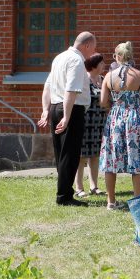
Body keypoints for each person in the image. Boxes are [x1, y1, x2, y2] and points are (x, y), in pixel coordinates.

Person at [38, 31, 97, 207]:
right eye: (93, 48)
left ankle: (65, 192)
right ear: (86, 45)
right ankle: (64, 196)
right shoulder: (77, 61)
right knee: (70, 153)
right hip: (70, 109)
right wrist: (67, 116)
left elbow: (47, 86)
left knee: (61, 153)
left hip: (56, 107)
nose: (93, 52)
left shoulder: (59, 58)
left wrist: (45, 110)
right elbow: (71, 90)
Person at [99, 41, 140, 210]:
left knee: (110, 160)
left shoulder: (108, 76)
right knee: (136, 160)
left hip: (115, 118)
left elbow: (102, 102)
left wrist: (114, 107)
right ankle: (137, 201)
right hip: (135, 118)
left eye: (115, 55)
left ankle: (111, 201)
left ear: (118, 56)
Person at [75, 53, 107, 198]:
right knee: (81, 156)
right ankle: (79, 188)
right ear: (93, 65)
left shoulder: (102, 79)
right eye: (101, 63)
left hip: (99, 123)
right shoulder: (84, 80)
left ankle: (94, 186)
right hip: (85, 122)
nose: (103, 65)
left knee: (95, 156)